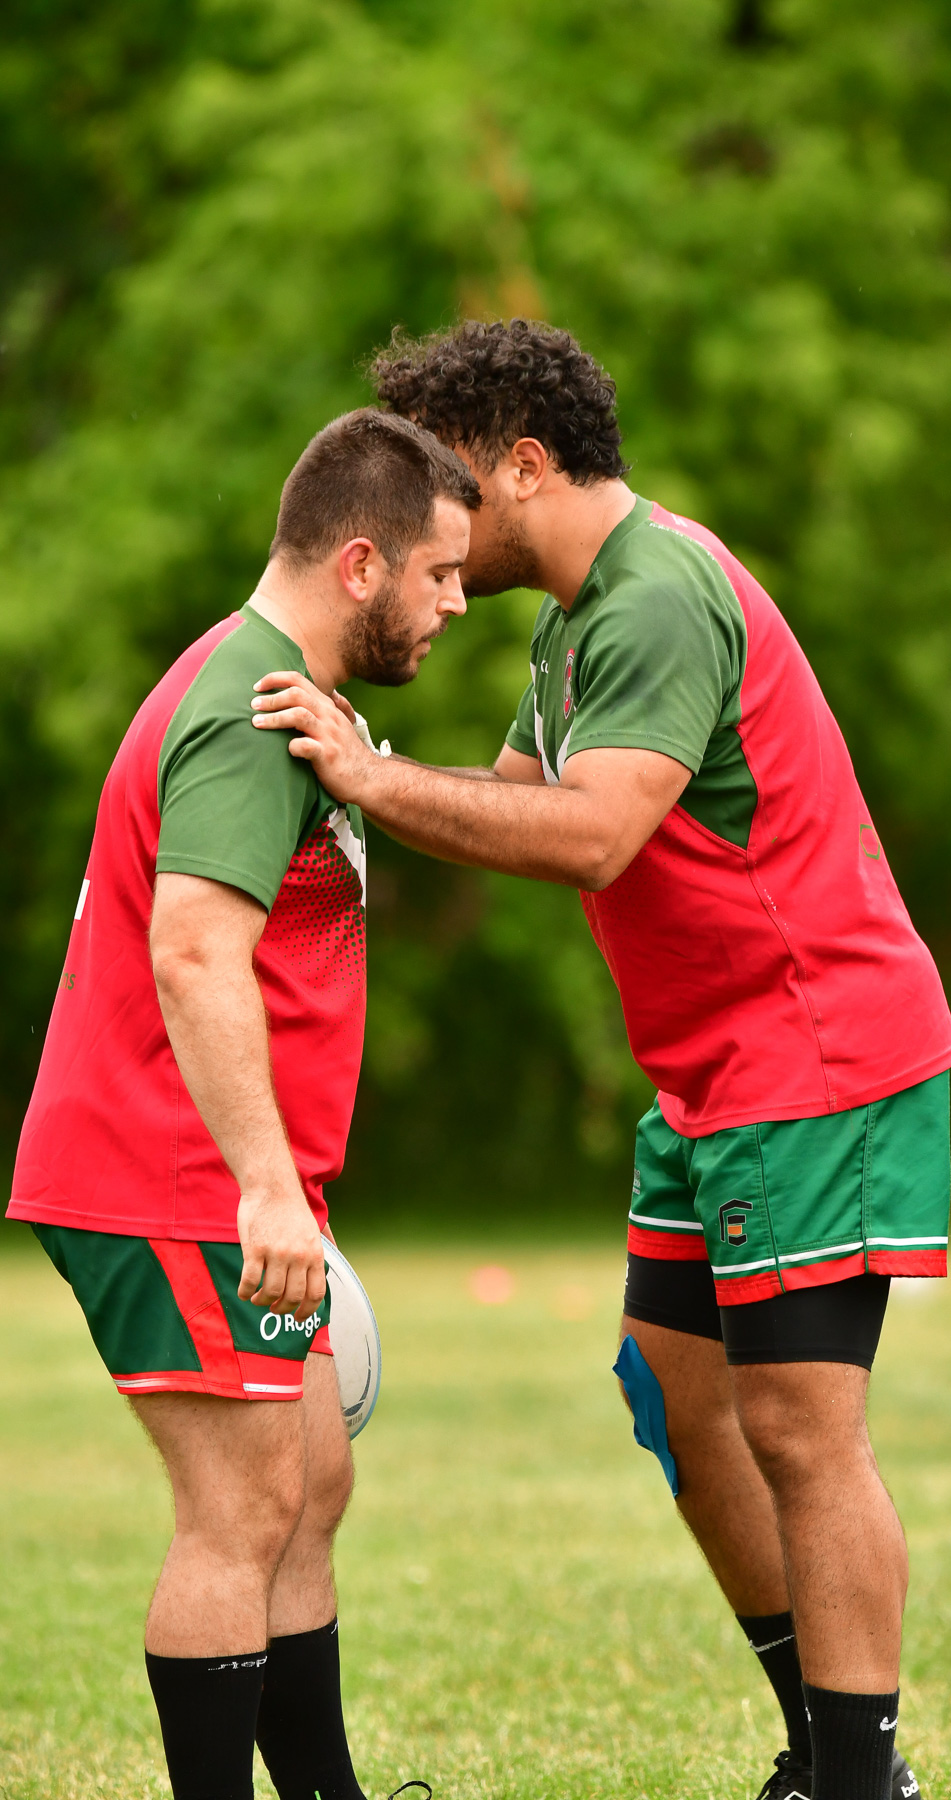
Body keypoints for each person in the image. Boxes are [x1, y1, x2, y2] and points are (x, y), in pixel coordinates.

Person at [249, 320, 951, 1800]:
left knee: (802, 1431)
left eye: (452, 481)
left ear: (525, 463)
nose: (432, 518)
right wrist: (336, 772)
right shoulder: (576, 623)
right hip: (714, 1076)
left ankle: (860, 1778)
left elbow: (590, 834)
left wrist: (366, 774)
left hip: (811, 1056)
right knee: (673, 1391)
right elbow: (508, 802)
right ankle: (820, 1744)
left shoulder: (657, 597)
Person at [7, 409, 478, 1800]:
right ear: (357, 564)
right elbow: (194, 948)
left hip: (216, 1171)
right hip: (166, 1171)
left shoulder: (290, 694)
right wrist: (267, 1186)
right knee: (244, 1507)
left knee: (308, 1486)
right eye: (439, 574)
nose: (457, 600)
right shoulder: (242, 710)